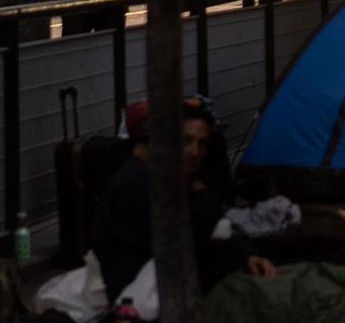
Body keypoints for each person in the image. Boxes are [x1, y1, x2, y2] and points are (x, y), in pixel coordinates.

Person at [91, 98, 276, 302]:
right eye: (186, 140)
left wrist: (248, 255)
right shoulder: (136, 185)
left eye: (201, 143)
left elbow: (217, 223)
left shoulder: (179, 179)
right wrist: (201, 196)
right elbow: (191, 237)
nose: (194, 152)